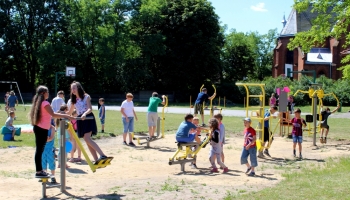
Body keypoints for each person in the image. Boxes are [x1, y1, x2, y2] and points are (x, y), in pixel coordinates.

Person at [29, 85, 73, 178]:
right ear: (43, 93)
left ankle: (39, 170)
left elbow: (44, 117)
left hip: (39, 128)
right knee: (39, 150)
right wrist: (66, 116)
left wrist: (49, 125)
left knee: (39, 150)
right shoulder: (45, 103)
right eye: (47, 92)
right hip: (41, 130)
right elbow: (52, 114)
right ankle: (39, 171)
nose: (48, 93)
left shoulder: (38, 103)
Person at [67, 81, 108, 163]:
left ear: (78, 88)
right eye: (72, 89)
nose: (73, 90)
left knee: (87, 138)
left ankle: (102, 155)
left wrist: (85, 114)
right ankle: (96, 159)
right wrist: (59, 115)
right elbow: (69, 112)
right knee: (86, 139)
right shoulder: (73, 100)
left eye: (74, 88)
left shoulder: (86, 97)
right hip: (80, 120)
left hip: (88, 118)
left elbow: (90, 108)